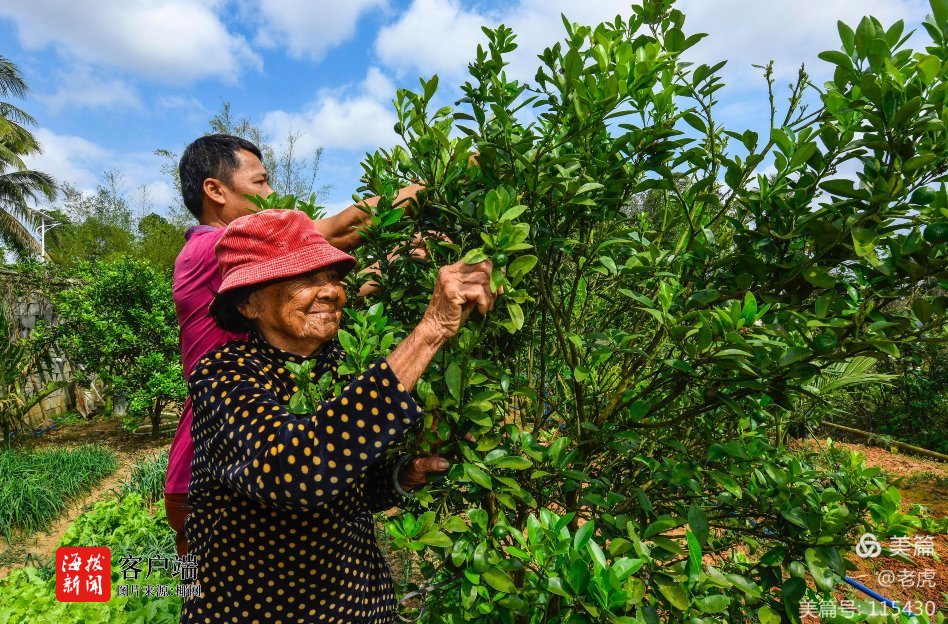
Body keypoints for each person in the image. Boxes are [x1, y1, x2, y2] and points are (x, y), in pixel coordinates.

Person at [180, 209, 495, 623]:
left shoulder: (346, 362)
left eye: (333, 278)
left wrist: (400, 474)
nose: (331, 292)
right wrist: (431, 328)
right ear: (249, 302)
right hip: (253, 607)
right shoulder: (223, 375)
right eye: (305, 278)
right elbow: (297, 471)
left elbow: (346, 484)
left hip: (357, 603)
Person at [166, 134, 423, 555]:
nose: (273, 195)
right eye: (261, 183)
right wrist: (430, 186)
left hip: (274, 442)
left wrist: (396, 262)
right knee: (228, 585)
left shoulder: (260, 280)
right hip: (225, 455)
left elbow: (315, 293)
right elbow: (333, 235)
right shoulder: (214, 248)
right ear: (215, 190)